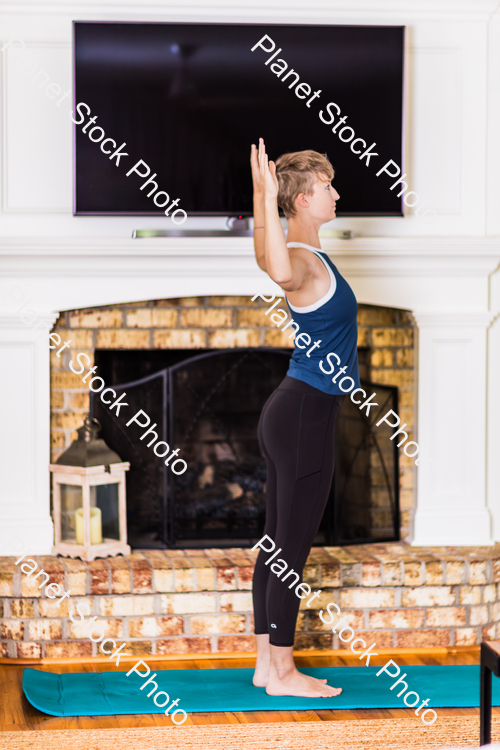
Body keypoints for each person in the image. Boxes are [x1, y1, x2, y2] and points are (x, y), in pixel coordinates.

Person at [250, 138, 360, 698]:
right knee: (289, 547)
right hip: (303, 416)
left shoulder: (309, 254)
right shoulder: (298, 258)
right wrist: (265, 196)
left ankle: (265, 666)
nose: (336, 193)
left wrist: (260, 196)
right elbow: (274, 269)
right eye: (327, 187)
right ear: (301, 201)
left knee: (275, 541)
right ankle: (286, 672)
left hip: (295, 411)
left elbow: (268, 257)